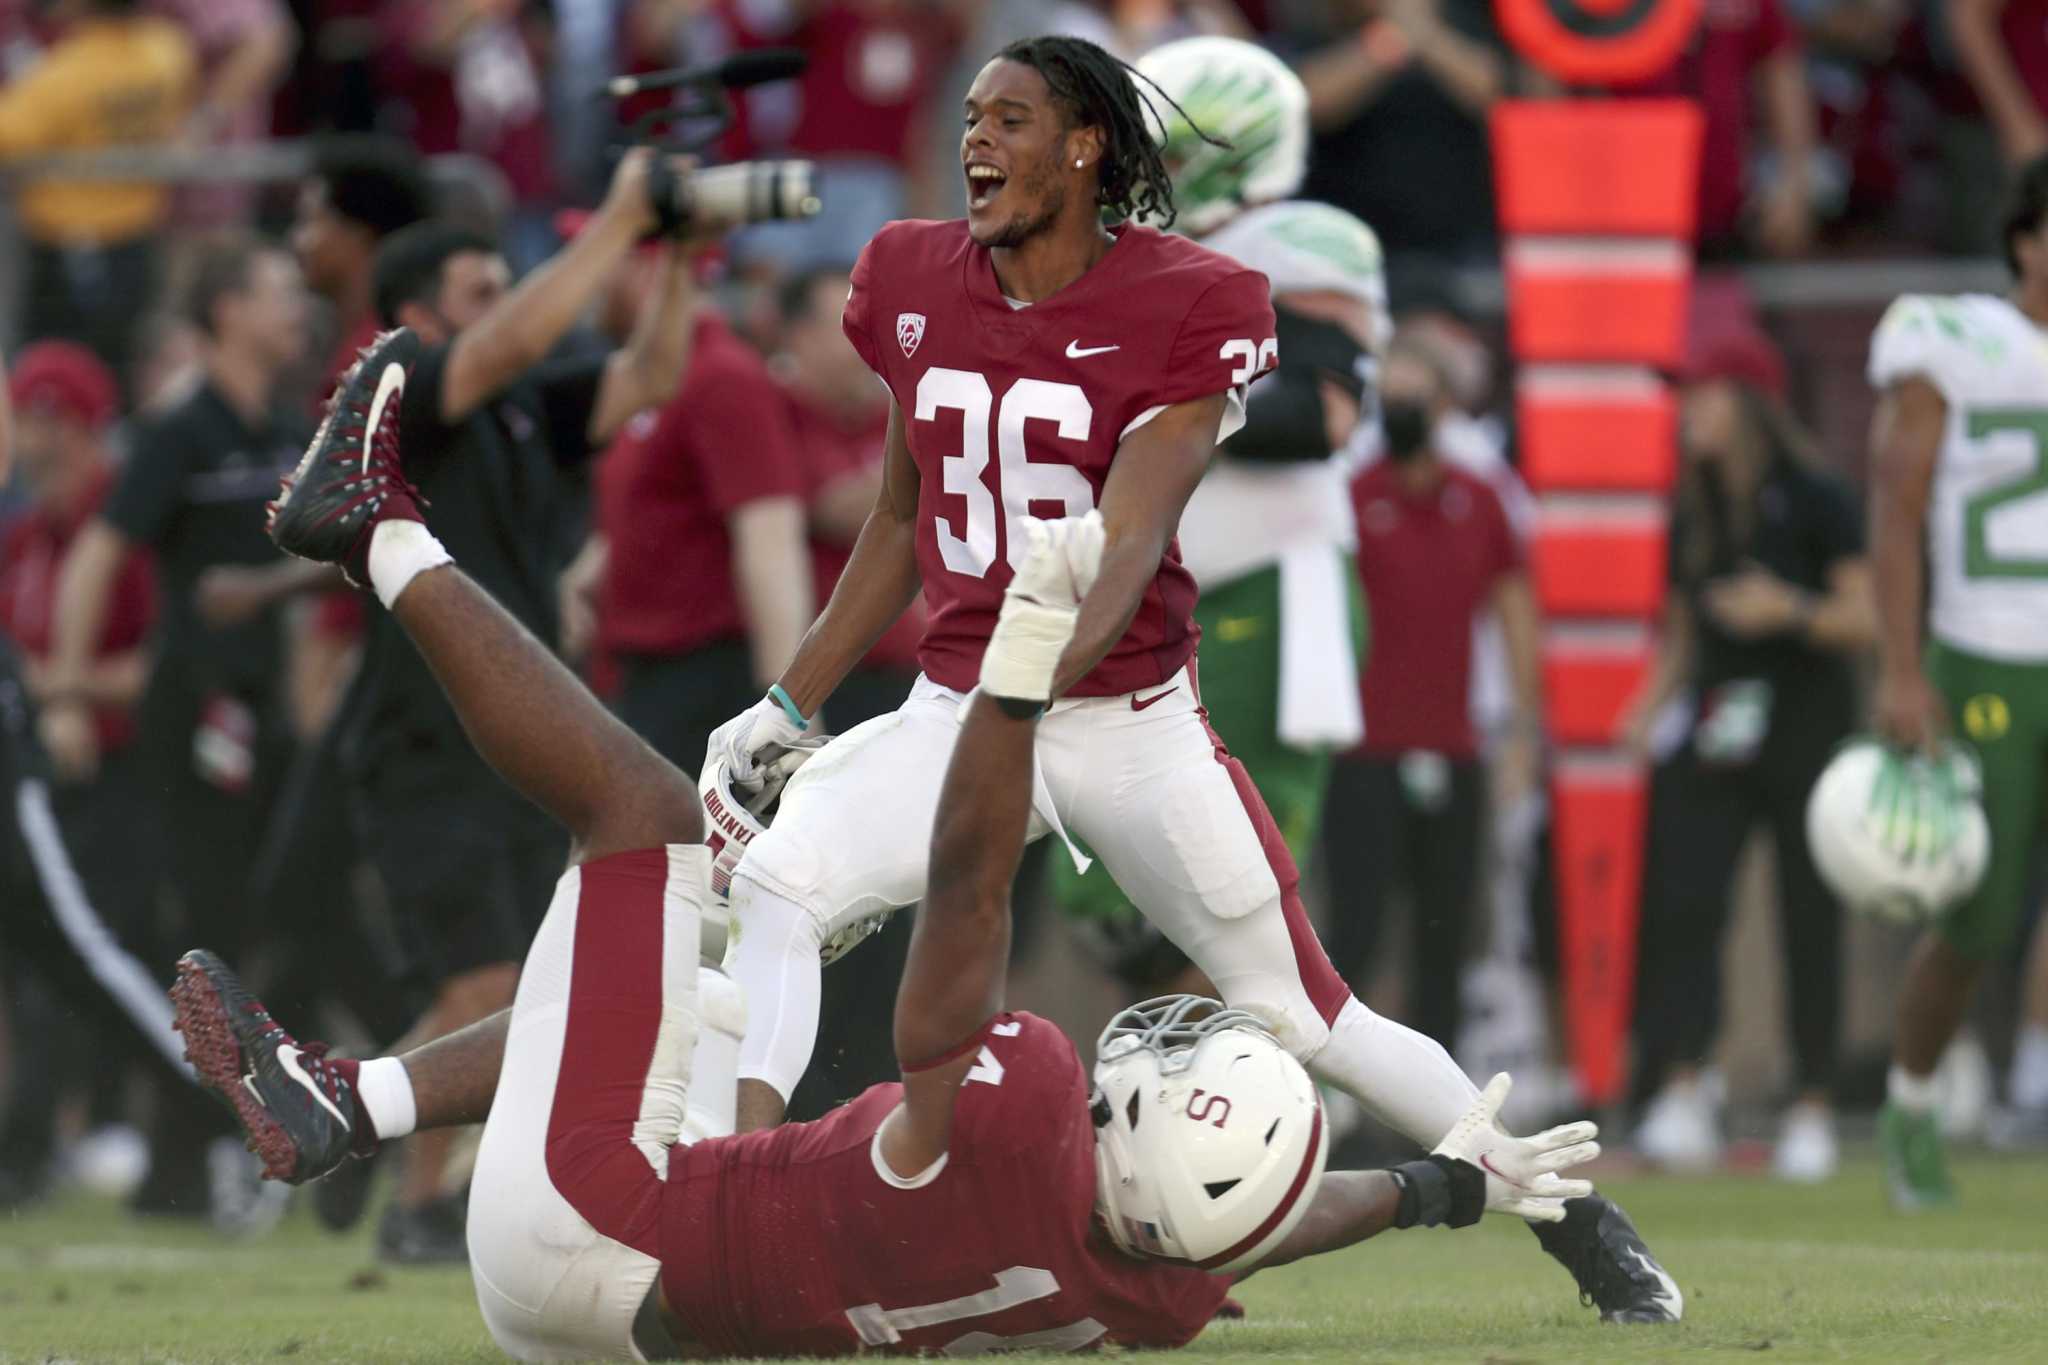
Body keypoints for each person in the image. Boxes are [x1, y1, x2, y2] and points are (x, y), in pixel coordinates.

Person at [172, 349, 1607, 1356]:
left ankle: (373, 534)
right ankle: (346, 1099)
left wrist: (1019, 686)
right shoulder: (1139, 1292)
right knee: (696, 975)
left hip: (603, 1216)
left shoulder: (1030, 1103)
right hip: (615, 1334)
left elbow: (971, 898)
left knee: (651, 826)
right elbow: (1270, 1219)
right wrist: (1445, 1184)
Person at [700, 33, 1679, 1320]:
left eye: (1008, 119)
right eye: (970, 117)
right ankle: (725, 1203)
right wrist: (790, 699)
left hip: (1124, 722)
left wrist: (1033, 672)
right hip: (955, 708)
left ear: (1086, 145)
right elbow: (898, 518)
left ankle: (1566, 1216)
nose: (974, 141)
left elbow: (1134, 541)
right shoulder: (908, 272)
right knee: (776, 887)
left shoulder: (1193, 297)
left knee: (1306, 1009)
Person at [326, 149, 704, 1262]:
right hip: (421, 742)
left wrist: (678, 252)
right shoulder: (405, 397)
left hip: (511, 746)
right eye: (477, 291)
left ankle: (345, 1113)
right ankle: (415, 1205)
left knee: (524, 978)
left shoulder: (518, 413)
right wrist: (621, 219)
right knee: (487, 977)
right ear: (408, 318)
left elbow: (651, 372)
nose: (504, 306)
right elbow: (505, 347)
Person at [1048, 36, 1376, 999]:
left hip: (1268, 582)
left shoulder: (1294, 243)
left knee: (1226, 883)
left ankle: (1226, 1110)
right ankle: (1182, 1097)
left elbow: (1319, 412)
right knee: (1118, 894)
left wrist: (1151, 401)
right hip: (1156, 589)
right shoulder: (1146, 259)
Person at [1622, 331, 1874, 1184]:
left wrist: (1789, 612)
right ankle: (1687, 1082)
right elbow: (1682, 631)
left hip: (1807, 719)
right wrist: (1645, 708)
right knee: (1687, 900)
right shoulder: (1691, 504)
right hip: (1719, 722)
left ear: (1751, 402)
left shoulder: (1819, 496)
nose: (1687, 413)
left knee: (1810, 911)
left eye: (1703, 394)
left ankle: (1811, 1103)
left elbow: (1864, 616)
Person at [1865, 155, 2048, 1209]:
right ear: (2023, 238)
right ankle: (1911, 1100)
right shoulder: (1958, 341)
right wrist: (1899, 665)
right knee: (1975, 917)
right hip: (1986, 649)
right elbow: (1895, 505)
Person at [1324, 332, 1543, 1055]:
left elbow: (1515, 619)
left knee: (1443, 929)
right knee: (1355, 927)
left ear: (1445, 406)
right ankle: (1344, 1092)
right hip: (1363, 750)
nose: (1403, 410)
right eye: (1391, 397)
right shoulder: (1353, 498)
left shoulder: (1479, 501)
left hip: (1453, 742)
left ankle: (1437, 1102)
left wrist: (1521, 738)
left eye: (1415, 396)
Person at [590, 274, 814, 776]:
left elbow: (770, 538)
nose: (597, 289)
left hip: (703, 677)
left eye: (617, 268)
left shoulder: (721, 375)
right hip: (648, 675)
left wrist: (792, 711)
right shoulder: (652, 376)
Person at [0, 0, 196, 387]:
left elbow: (8, 134)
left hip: (71, 249)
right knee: (119, 364)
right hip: (138, 240)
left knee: (57, 372)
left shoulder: (66, 72)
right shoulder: (167, 49)